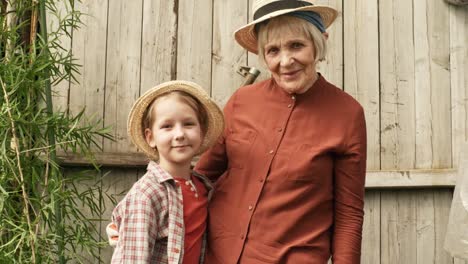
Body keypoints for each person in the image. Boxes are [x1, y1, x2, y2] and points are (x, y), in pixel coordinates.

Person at [193, 0, 367, 263]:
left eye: (297, 45)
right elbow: (201, 178)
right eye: (273, 50)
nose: (285, 61)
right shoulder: (241, 101)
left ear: (319, 43)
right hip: (218, 256)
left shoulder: (347, 113)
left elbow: (348, 213)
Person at [109, 80, 224, 263]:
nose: (179, 134)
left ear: (201, 132)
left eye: (188, 124)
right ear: (150, 138)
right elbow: (133, 258)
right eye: (167, 126)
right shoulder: (146, 195)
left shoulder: (202, 188)